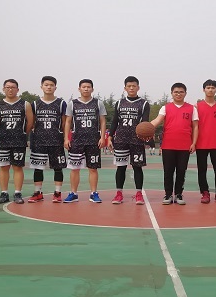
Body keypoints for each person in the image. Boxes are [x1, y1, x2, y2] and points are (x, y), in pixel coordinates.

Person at [151, 83, 198, 205]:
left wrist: (194, 143)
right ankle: (168, 194)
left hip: (185, 145)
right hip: (168, 145)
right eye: (176, 92)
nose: (178, 94)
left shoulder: (192, 109)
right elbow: (157, 120)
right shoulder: (165, 108)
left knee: (181, 171)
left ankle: (178, 194)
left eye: (181, 92)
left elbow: (195, 127)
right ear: (172, 93)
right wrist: (147, 126)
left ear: (185, 93)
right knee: (168, 171)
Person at [63, 79, 107, 203]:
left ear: (92, 89)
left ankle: (93, 193)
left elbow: (103, 121)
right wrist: (66, 138)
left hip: (93, 140)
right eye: (84, 87)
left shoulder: (98, 103)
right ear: (79, 89)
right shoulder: (72, 103)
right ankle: (73, 193)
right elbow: (68, 122)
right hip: (77, 140)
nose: (86, 89)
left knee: (93, 168)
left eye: (88, 87)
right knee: (74, 168)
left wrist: (102, 137)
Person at [109, 76, 150, 205]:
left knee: (137, 167)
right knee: (120, 168)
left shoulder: (144, 103)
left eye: (134, 86)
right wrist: (110, 137)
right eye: (129, 86)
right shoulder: (119, 103)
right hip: (121, 139)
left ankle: (138, 194)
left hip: (137, 140)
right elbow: (115, 121)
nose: (131, 88)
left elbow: (145, 122)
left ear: (138, 87)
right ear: (125, 88)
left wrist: (146, 134)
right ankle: (119, 194)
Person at [0, 79, 34, 204]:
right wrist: (3, 132)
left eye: (13, 87)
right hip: (2, 141)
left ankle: (17, 193)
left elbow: (30, 122)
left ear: (17, 89)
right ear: (3, 89)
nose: (10, 89)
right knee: (3, 167)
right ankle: (4, 193)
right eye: (8, 87)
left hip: (19, 141)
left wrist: (22, 133)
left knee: (17, 167)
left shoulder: (25, 104)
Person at [27, 76, 67, 203]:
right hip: (39, 140)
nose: (49, 87)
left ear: (55, 87)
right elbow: (32, 122)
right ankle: (37, 192)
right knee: (38, 168)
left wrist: (64, 138)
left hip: (56, 140)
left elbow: (64, 123)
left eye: (51, 85)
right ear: (41, 87)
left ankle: (57, 193)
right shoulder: (35, 104)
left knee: (58, 168)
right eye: (46, 85)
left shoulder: (61, 103)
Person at [195, 79, 216, 203]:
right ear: (204, 90)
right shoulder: (197, 106)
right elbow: (193, 126)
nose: (210, 90)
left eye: (213, 88)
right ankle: (205, 192)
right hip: (201, 143)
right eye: (208, 87)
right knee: (202, 169)